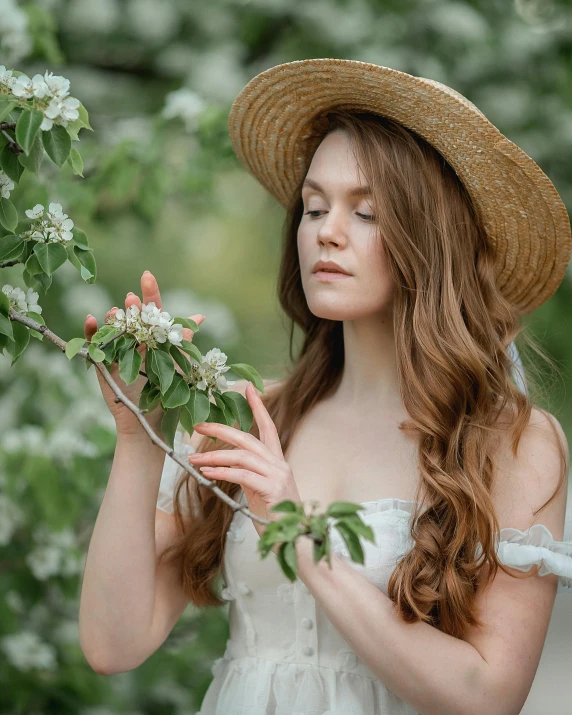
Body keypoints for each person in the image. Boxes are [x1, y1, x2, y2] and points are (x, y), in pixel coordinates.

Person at [81, 59, 572, 714]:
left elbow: (488, 695)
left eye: (365, 213)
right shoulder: (254, 415)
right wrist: (136, 439)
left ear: (430, 240)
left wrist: (302, 540)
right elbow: (113, 643)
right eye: (314, 206)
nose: (325, 232)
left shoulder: (512, 439)